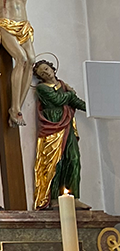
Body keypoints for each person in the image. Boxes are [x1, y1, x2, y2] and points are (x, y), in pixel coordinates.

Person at [32, 59, 88, 209]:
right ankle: (55, 198)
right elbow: (58, 99)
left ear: (52, 68)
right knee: (56, 162)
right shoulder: (42, 88)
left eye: (46, 68)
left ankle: (74, 196)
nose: (45, 72)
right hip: (52, 125)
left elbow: (76, 101)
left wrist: (92, 108)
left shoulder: (62, 85)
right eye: (41, 72)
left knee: (74, 159)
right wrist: (69, 93)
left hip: (67, 125)